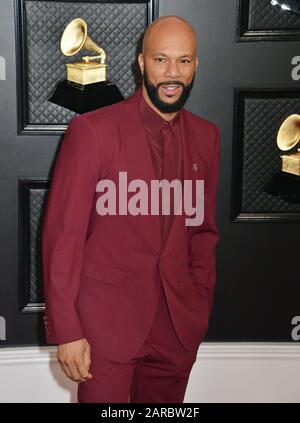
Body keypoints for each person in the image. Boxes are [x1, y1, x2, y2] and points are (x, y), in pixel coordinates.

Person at [42, 14, 220, 403]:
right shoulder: (92, 132)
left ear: (195, 66)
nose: (172, 73)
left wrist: (199, 303)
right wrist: (68, 329)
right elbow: (64, 238)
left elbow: (202, 232)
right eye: (160, 60)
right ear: (141, 63)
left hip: (176, 330)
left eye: (183, 61)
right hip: (105, 330)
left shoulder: (207, 137)